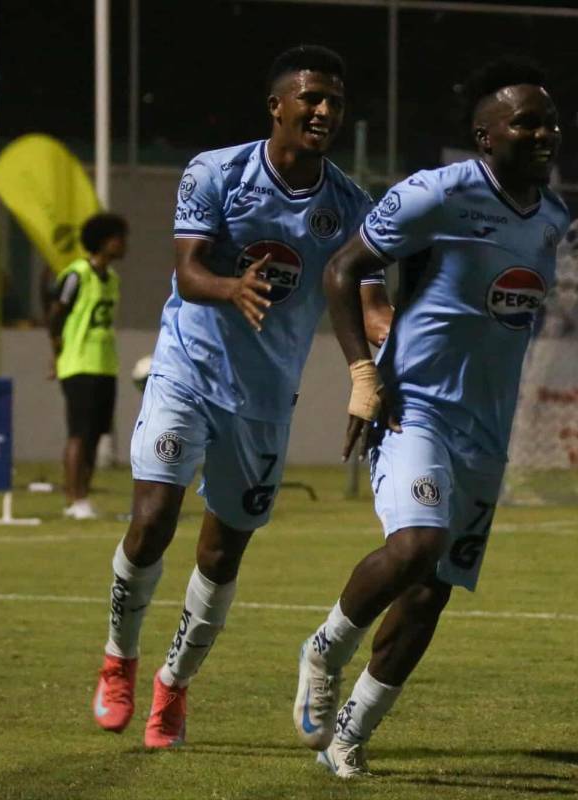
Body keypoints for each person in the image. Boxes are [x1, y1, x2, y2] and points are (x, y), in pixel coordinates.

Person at [89, 45, 387, 748]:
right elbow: (189, 271)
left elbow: (369, 300)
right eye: (311, 98)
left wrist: (389, 349)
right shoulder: (216, 172)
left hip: (264, 398)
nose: (324, 111)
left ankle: (173, 685)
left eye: (335, 101)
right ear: (277, 106)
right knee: (152, 518)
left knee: (222, 555)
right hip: (186, 372)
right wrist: (233, 287)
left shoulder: (350, 204)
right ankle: (119, 658)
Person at [291, 58, 568, 779]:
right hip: (414, 406)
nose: (545, 133)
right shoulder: (436, 194)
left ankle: (351, 733)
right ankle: (325, 647)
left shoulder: (553, 218)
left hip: (486, 428)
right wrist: (363, 375)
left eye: (550, 122)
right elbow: (344, 268)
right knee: (417, 543)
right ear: (486, 136)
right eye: (527, 122)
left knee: (430, 590)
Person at [47, 212, 127, 520]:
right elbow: (56, 313)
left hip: (105, 364)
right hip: (78, 362)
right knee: (79, 432)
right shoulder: (77, 275)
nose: (123, 244)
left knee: (95, 433)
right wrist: (56, 352)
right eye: (118, 238)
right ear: (103, 241)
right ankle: (73, 498)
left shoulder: (113, 279)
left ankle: (84, 496)